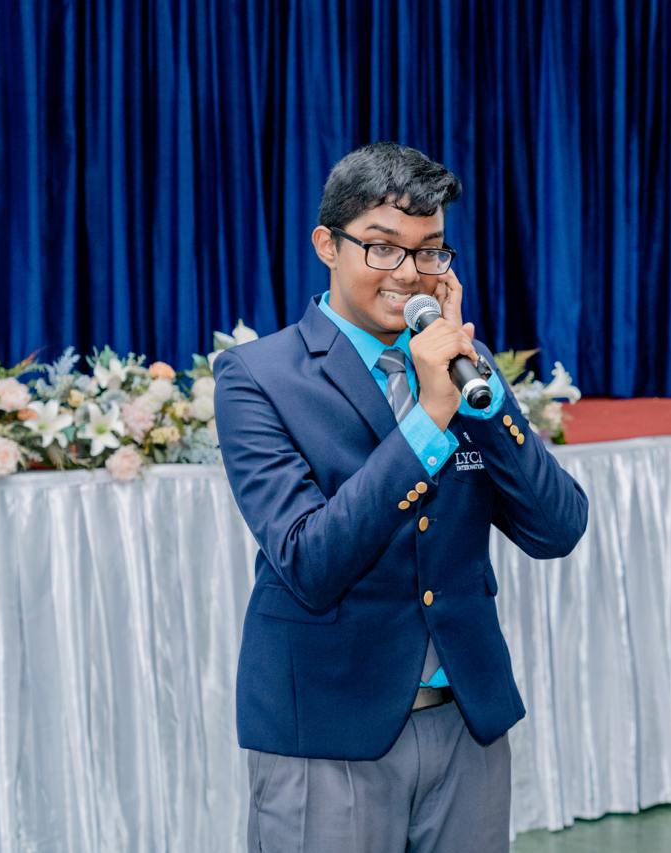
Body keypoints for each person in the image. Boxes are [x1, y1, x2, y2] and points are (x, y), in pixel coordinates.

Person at [214, 141, 589, 853]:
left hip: (466, 721)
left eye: (431, 252)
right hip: (328, 727)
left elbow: (559, 527)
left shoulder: (459, 371)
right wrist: (427, 422)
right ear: (328, 244)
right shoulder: (258, 377)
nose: (410, 273)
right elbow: (309, 560)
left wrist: (479, 389)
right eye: (383, 248)